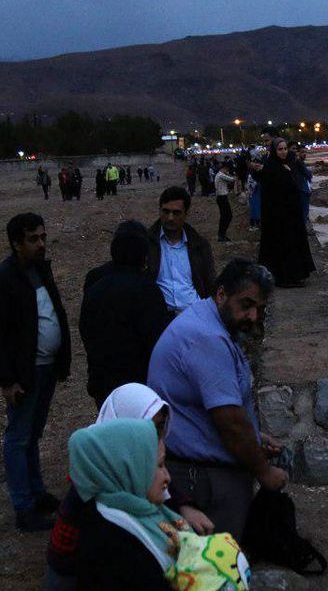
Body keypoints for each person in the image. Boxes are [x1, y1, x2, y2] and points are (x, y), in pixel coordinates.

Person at [148, 258, 286, 539]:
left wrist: (256, 436)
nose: (253, 317)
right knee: (220, 561)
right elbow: (229, 420)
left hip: (200, 467)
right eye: (246, 305)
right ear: (221, 294)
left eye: (259, 309)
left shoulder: (207, 319)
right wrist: (263, 471)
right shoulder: (208, 339)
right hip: (203, 477)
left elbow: (213, 406)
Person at [42, 384, 213, 591]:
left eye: (160, 426)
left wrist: (183, 505)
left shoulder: (131, 474)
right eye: (148, 427)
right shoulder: (99, 508)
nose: (155, 436)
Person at [0, 212, 71, 532]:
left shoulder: (39, 269)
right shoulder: (1, 279)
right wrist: (7, 380)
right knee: (18, 438)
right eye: (33, 239)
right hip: (25, 373)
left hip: (46, 368)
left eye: (43, 237)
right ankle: (24, 507)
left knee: (33, 434)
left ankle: (36, 492)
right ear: (16, 243)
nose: (41, 244)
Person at [70, 418, 190, 591]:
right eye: (159, 466)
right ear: (128, 467)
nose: (167, 477)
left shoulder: (145, 510)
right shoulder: (112, 544)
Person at [78, 221, 171, 407]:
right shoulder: (147, 289)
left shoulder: (96, 286)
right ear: (143, 255)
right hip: (138, 381)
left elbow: (85, 329)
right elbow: (157, 339)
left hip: (103, 378)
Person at [253, 138, 315, 288]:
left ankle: (295, 275)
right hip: (277, 217)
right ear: (274, 151)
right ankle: (283, 279)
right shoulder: (271, 167)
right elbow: (271, 191)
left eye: (285, 149)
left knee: (293, 244)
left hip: (291, 214)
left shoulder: (290, 164)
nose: (283, 152)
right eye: (280, 149)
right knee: (282, 247)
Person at [146, 186, 216, 319]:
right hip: (159, 316)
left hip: (195, 313)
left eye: (176, 213)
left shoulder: (200, 245)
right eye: (165, 212)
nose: (170, 218)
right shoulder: (147, 243)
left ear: (186, 213)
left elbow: (210, 282)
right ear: (159, 210)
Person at [213, 160, 235, 243]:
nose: (228, 171)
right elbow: (232, 179)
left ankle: (222, 235)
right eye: (227, 169)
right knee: (227, 216)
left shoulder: (219, 175)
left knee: (225, 216)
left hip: (221, 197)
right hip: (222, 198)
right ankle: (222, 235)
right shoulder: (221, 175)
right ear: (225, 168)